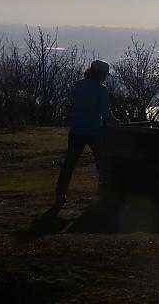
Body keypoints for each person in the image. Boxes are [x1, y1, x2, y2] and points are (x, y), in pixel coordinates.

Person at [54, 59, 112, 209]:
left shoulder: (78, 85)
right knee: (102, 164)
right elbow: (106, 115)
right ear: (100, 74)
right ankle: (103, 194)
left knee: (69, 164)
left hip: (76, 130)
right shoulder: (101, 90)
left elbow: (71, 106)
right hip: (94, 131)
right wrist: (116, 123)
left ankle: (60, 195)